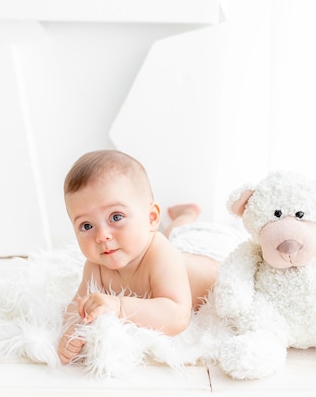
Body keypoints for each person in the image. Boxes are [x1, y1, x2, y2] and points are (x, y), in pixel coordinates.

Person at [57, 149, 227, 365]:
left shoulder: (161, 256)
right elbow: (78, 305)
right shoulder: (95, 266)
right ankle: (185, 216)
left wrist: (119, 306)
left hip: (209, 254)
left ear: (151, 217)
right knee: (171, 235)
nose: (101, 236)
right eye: (87, 225)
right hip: (173, 246)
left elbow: (177, 317)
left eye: (116, 217)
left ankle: (187, 217)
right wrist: (72, 332)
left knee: (175, 237)